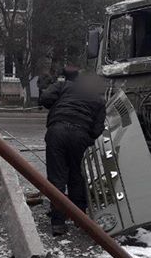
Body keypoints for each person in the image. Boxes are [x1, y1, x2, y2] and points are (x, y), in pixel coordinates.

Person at [38, 65, 107, 235]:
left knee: (57, 178)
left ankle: (58, 223)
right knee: (77, 176)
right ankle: (79, 218)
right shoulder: (98, 100)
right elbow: (98, 129)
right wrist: (85, 137)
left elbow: (45, 98)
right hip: (80, 135)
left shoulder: (64, 86)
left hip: (57, 132)